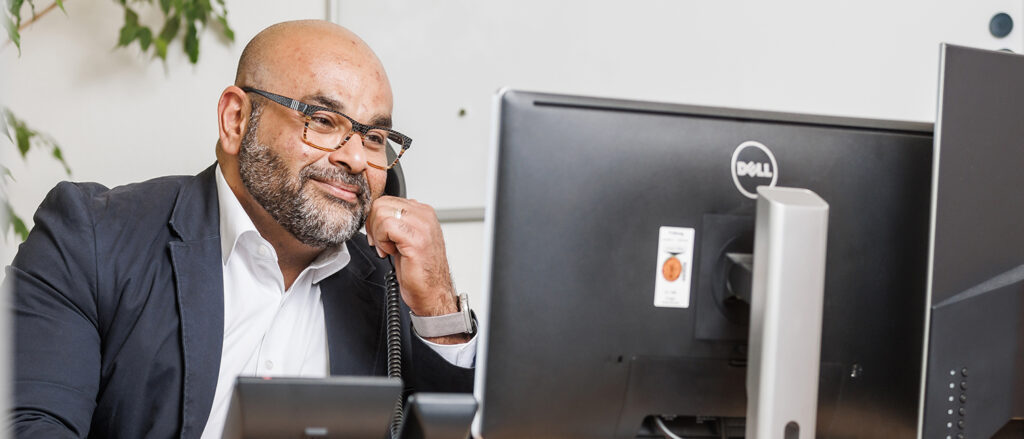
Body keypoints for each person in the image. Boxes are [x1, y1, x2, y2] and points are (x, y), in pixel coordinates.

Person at [6, 20, 476, 438]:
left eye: (374, 138)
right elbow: (30, 424)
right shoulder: (90, 236)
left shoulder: (392, 283)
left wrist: (438, 308)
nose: (355, 158)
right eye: (322, 120)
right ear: (236, 120)